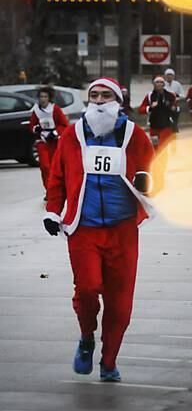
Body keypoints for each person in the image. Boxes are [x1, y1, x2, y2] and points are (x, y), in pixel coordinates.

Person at [42, 77, 155, 382]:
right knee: (88, 288)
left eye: (107, 95)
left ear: (118, 101)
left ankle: (109, 361)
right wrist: (54, 211)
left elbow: (157, 173)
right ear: (88, 101)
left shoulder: (134, 136)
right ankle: (87, 337)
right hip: (84, 229)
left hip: (122, 230)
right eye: (95, 95)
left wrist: (150, 183)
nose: (101, 100)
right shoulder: (72, 135)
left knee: (120, 301)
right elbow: (58, 178)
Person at [29, 85, 69, 195]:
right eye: (41, 96)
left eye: (45, 96)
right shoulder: (36, 110)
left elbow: (64, 124)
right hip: (42, 141)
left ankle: (57, 189)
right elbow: (32, 125)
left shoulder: (55, 109)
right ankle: (49, 191)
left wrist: (55, 133)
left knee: (54, 167)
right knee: (45, 166)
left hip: (54, 141)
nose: (43, 99)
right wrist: (36, 128)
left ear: (49, 98)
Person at [138, 75, 178, 149]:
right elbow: (141, 110)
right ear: (154, 84)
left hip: (166, 125)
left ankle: (163, 160)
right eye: (157, 82)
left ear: (164, 84)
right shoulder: (150, 96)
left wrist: (173, 108)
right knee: (155, 147)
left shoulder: (170, 95)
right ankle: (158, 160)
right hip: (153, 125)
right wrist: (150, 107)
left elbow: (175, 107)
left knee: (162, 146)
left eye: (161, 82)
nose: (159, 84)